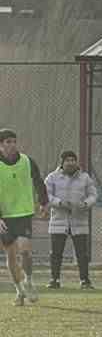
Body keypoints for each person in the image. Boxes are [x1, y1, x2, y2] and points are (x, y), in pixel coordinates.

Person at [0, 128, 49, 307]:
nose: (12, 145)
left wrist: (44, 202)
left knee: (25, 250)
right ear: (0, 145)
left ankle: (29, 280)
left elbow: (38, 181)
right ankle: (19, 290)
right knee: (11, 256)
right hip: (4, 217)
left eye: (14, 141)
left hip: (24, 214)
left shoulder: (27, 161)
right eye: (7, 142)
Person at [45, 149, 98, 289]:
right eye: (67, 160)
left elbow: (93, 195)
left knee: (82, 254)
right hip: (58, 221)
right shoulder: (52, 177)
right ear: (62, 162)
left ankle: (85, 281)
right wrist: (59, 203)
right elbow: (46, 196)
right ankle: (54, 279)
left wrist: (85, 204)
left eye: (73, 160)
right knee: (56, 253)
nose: (71, 163)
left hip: (79, 221)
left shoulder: (85, 178)